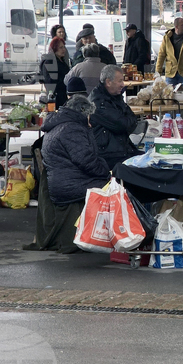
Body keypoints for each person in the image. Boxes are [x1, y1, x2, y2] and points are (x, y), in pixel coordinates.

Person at [38, 95, 109, 253]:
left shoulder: (59, 124)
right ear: (83, 113)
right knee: (114, 187)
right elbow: (87, 161)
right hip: (70, 185)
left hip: (62, 182)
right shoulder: (72, 129)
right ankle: (105, 238)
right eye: (89, 116)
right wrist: (107, 172)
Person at [89, 65, 139, 171]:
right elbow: (122, 125)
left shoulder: (115, 97)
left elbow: (134, 120)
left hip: (122, 149)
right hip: (109, 156)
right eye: (120, 81)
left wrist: (127, 122)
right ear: (108, 82)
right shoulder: (98, 103)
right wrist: (127, 122)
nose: (122, 84)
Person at [156, 17, 183, 86]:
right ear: (176, 26)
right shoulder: (167, 38)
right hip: (171, 72)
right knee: (169, 94)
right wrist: (158, 72)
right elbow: (161, 55)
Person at [40, 36, 71, 108]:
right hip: (55, 97)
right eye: (61, 47)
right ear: (54, 48)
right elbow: (50, 81)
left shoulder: (62, 61)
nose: (63, 50)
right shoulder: (50, 62)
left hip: (63, 95)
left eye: (64, 47)